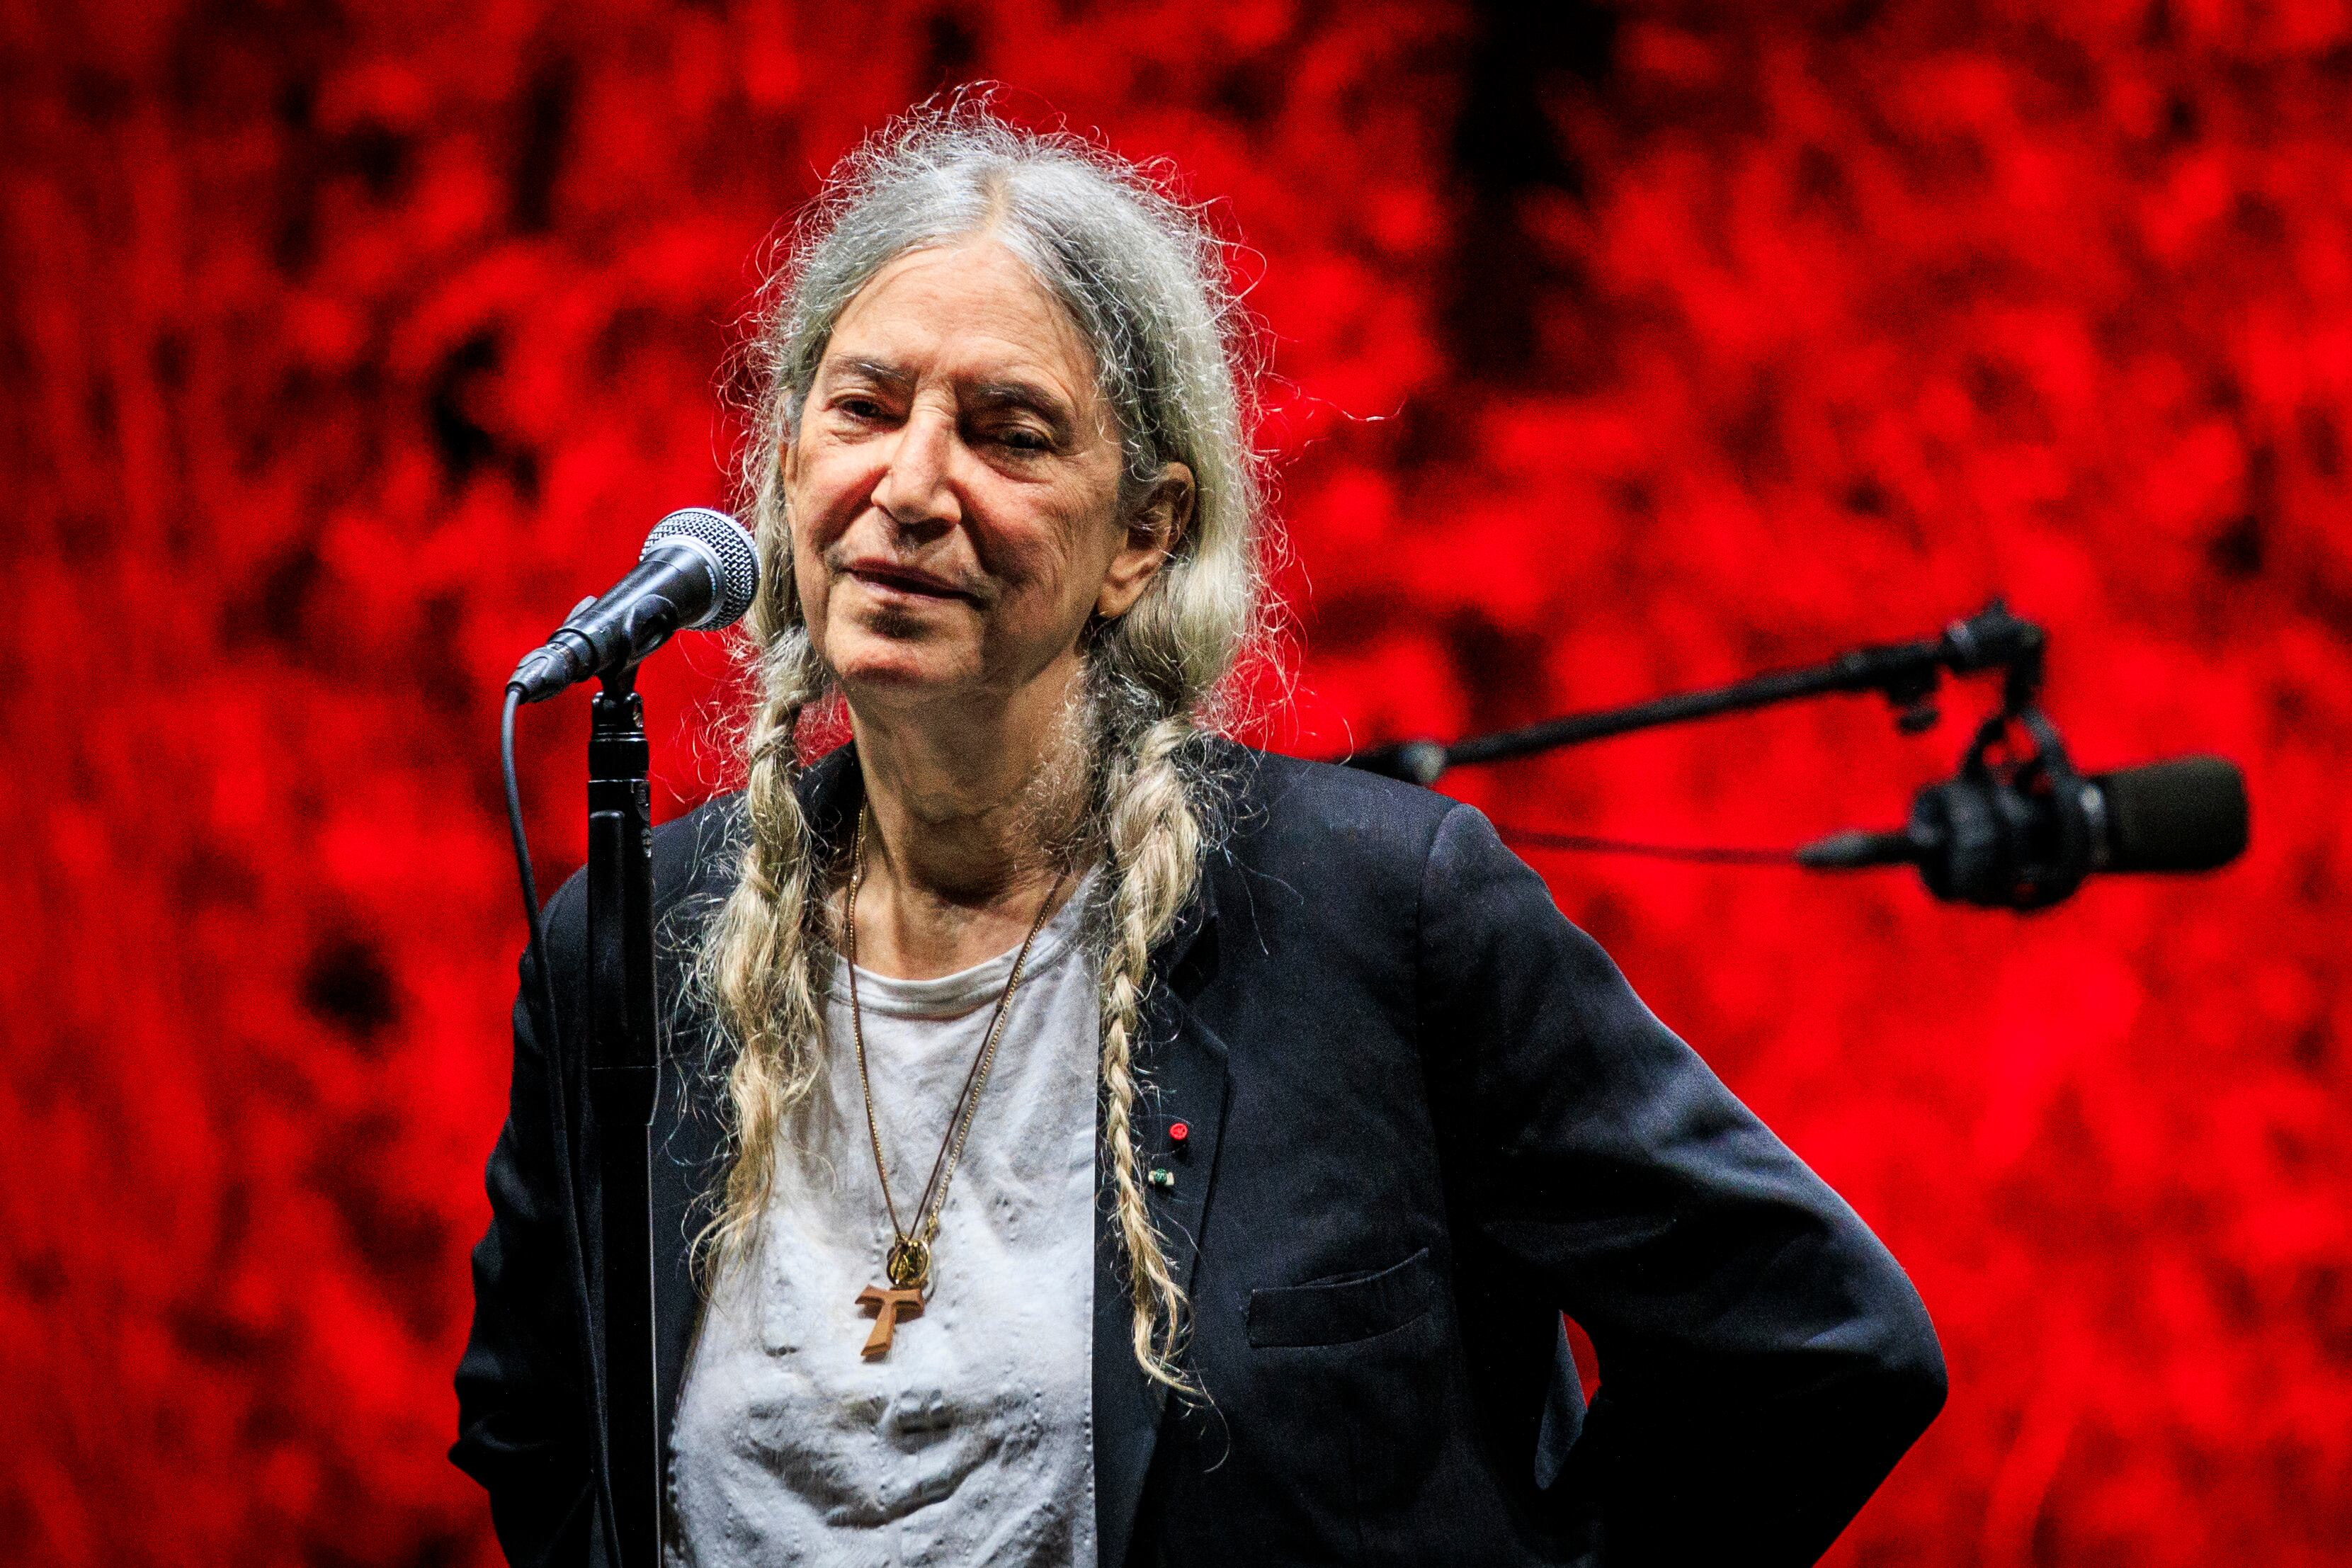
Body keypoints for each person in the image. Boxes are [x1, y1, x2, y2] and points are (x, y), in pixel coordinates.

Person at [452, 105, 1946, 1568]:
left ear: (1145, 537)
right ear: (784, 468)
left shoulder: (1385, 915)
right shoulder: (634, 942)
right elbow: (534, 1430)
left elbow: (1816, 1346)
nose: (907, 487)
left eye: (1006, 433)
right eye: (862, 407)